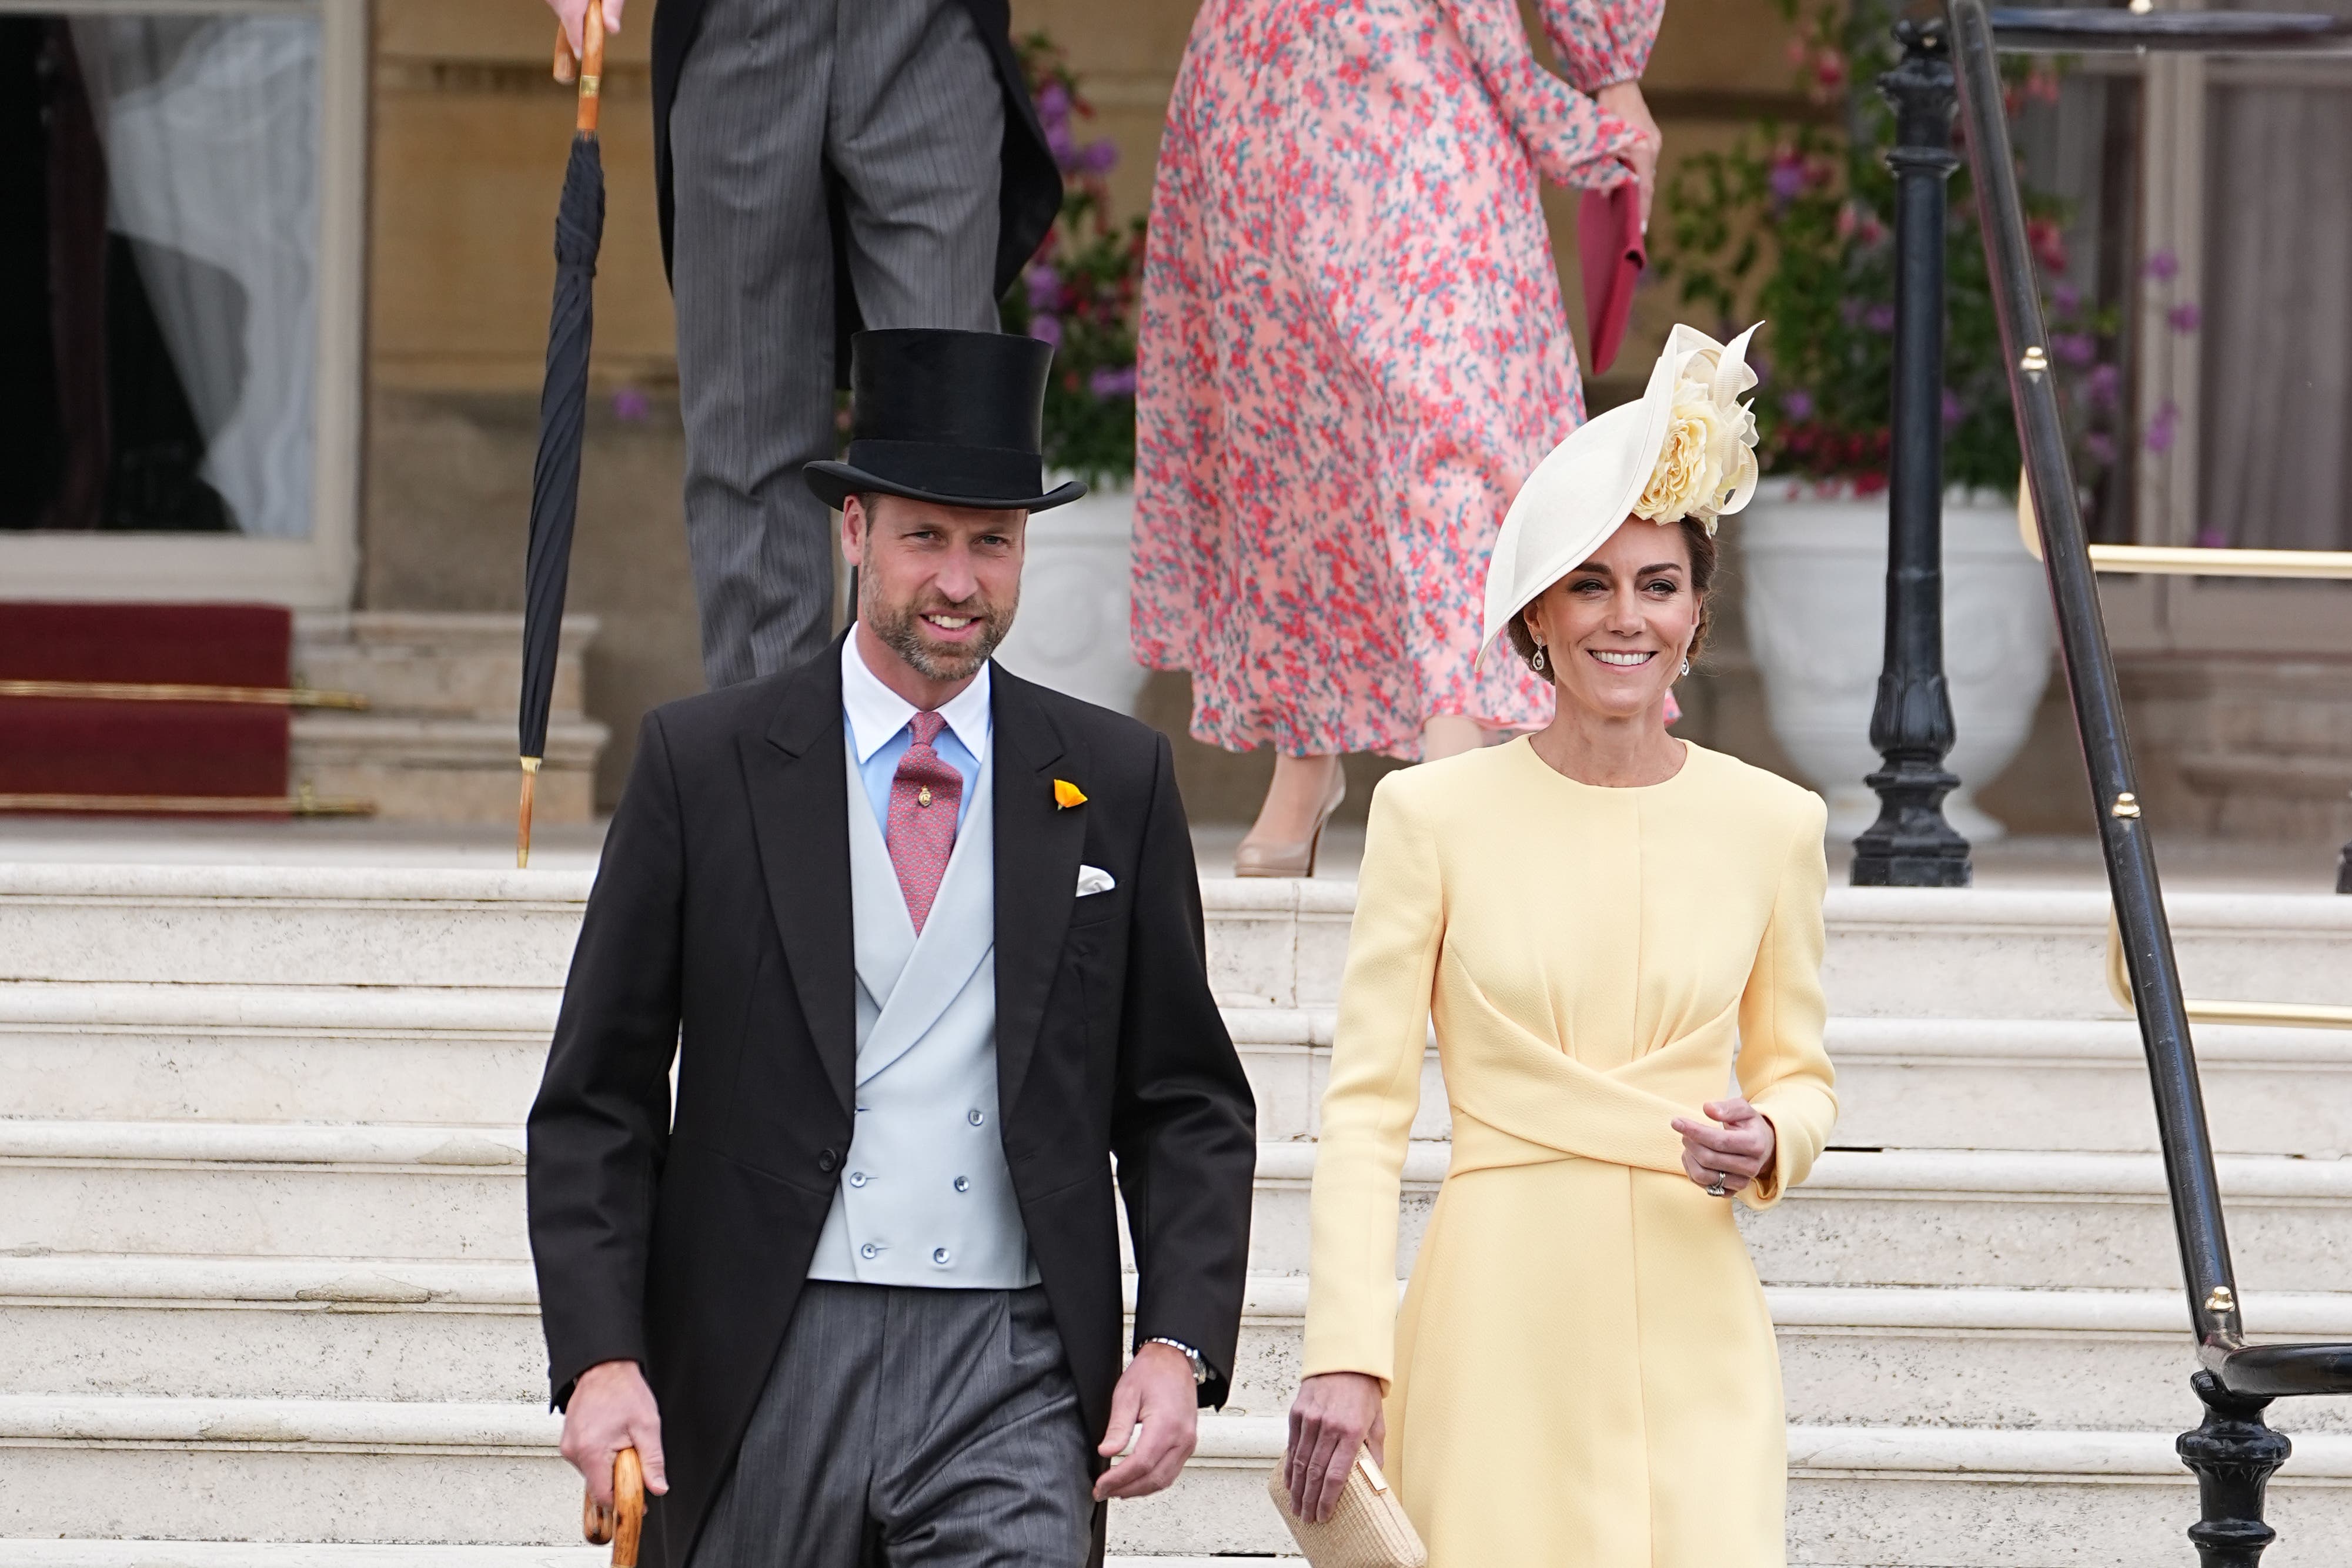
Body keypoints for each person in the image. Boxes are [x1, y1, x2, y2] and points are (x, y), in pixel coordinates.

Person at [527, 328, 1258, 1568]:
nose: (959, 580)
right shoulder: (701, 766)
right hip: (763, 1350)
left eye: (992, 541)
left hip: (1014, 1364)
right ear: (853, 528)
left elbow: (1183, 1097)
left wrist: (1174, 1344)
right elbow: (596, 1101)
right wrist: (601, 1357)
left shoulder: (1113, 776)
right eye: (926, 535)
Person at [1280, 325, 1840, 1565]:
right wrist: (1342, 1350)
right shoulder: (1428, 814)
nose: (1622, 618)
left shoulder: (1772, 824)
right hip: (1496, 1316)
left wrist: (1766, 1141)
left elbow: (1797, 1073)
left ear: (1696, 613)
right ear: (1538, 611)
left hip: (1697, 1313)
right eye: (1588, 583)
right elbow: (1365, 1112)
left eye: (1657, 584)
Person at [1130, 0, 1668, 877]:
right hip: (1261, 69)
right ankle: (1304, 752)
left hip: (1425, 63)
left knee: (1445, 416)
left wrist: (1611, 69)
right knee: (1292, 429)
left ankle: (1455, 746)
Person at [542, 0, 1061, 689]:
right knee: (746, 431)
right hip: (738, 25)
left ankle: (919, 768)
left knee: (949, 444)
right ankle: (770, 768)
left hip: (926, 27)